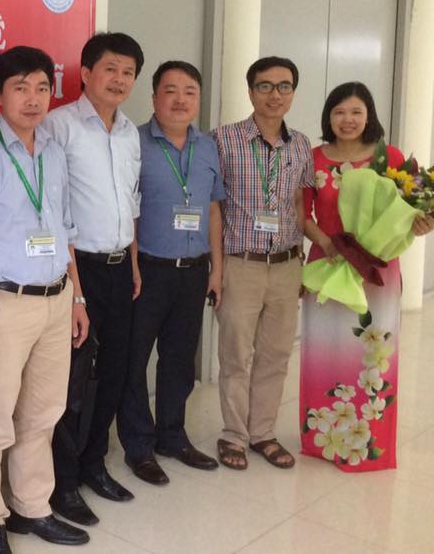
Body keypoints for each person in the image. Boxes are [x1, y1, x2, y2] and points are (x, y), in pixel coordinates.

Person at [0, 46, 91, 554]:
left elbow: (66, 231)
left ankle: (32, 506)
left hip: (57, 299)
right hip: (6, 304)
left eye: (41, 88)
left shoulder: (54, 153)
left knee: (42, 414)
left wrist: (77, 299)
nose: (33, 99)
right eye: (20, 88)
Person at [300, 82, 434, 471]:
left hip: (376, 269)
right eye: (339, 112)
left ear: (369, 116)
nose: (348, 120)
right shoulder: (313, 159)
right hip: (328, 263)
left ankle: (366, 442)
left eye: (356, 112)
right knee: (325, 349)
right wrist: (327, 243)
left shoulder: (389, 159)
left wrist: (422, 224)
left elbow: (412, 210)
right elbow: (301, 214)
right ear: (328, 116)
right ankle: (324, 439)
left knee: (372, 352)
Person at [44, 32, 142, 525]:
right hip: (77, 268)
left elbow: (130, 205)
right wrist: (76, 290)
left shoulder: (129, 133)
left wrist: (134, 264)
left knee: (115, 371)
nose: (119, 80)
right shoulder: (59, 125)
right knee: (73, 379)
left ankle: (93, 464)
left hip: (120, 268)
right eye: (110, 69)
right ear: (85, 73)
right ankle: (62, 483)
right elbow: (55, 211)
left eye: (128, 72)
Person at [117, 61, 223, 486]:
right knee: (134, 361)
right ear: (154, 97)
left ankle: (173, 436)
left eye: (190, 92)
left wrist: (217, 268)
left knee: (179, 360)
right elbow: (127, 210)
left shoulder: (208, 146)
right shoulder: (135, 142)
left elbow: (213, 208)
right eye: (171, 90)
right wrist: (132, 264)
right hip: (148, 271)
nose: (180, 100)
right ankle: (139, 446)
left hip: (194, 271)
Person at [212, 56, 314, 470]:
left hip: (287, 264)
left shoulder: (301, 145)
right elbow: (214, 206)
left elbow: (300, 205)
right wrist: (216, 268)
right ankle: (234, 434)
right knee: (236, 354)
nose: (275, 94)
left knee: (276, 354)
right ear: (251, 90)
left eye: (284, 86)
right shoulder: (224, 139)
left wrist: (304, 260)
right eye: (265, 86)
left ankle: (263, 433)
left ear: (293, 92)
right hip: (242, 263)